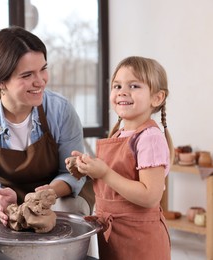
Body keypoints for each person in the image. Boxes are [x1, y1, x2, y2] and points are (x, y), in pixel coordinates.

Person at [0, 26, 90, 227]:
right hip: (7, 199)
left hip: (53, 198)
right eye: (27, 75)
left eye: (43, 69)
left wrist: (49, 193)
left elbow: (74, 173)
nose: (40, 81)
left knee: (72, 208)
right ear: (2, 81)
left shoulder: (61, 110)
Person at [66, 56, 173, 260]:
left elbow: (150, 196)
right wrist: (87, 169)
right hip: (114, 234)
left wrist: (104, 173)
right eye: (117, 86)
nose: (122, 91)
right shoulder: (119, 134)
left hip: (141, 240)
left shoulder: (149, 138)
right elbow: (115, 185)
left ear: (157, 98)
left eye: (134, 85)